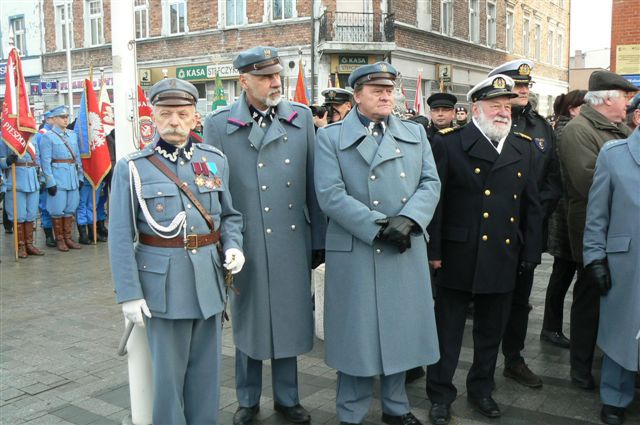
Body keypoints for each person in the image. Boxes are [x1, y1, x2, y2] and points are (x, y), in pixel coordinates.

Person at [109, 78, 244, 424]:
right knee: (167, 382)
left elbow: (229, 215)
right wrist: (128, 294)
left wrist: (233, 245)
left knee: (206, 377)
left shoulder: (213, 160)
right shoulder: (134, 167)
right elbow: (121, 236)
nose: (174, 121)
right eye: (166, 113)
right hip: (163, 288)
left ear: (195, 117)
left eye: (183, 114)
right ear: (152, 116)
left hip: (209, 284)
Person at [204, 46, 325, 425]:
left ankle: (288, 398)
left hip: (291, 240)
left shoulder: (301, 118)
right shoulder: (218, 124)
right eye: (265, 77)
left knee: (289, 318)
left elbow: (314, 186)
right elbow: (213, 191)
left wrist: (318, 242)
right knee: (248, 319)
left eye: (277, 76)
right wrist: (221, 242)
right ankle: (247, 399)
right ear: (244, 80)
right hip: (246, 240)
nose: (275, 83)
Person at [315, 61, 440, 425]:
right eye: (376, 90)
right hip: (359, 246)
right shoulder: (331, 137)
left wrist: (410, 219)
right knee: (356, 336)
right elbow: (330, 194)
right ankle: (350, 413)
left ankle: (396, 408)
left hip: (404, 245)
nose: (386, 95)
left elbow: (430, 183)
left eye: (389, 89)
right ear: (357, 96)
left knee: (400, 331)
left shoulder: (415, 134)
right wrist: (379, 226)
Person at [426, 74, 542, 424]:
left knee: (491, 330)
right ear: (475, 109)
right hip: (458, 252)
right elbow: (436, 201)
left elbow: (531, 207)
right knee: (447, 330)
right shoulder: (449, 143)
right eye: (495, 105)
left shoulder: (522, 147)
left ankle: (481, 390)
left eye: (507, 106)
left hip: (502, 254)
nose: (503, 112)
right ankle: (440, 393)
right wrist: (434, 250)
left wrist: (531, 252)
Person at [557, 70, 637, 390]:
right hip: (591, 228)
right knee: (590, 296)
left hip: (621, 227)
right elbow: (587, 182)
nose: (628, 106)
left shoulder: (615, 128)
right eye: (624, 98)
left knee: (619, 297)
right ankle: (580, 365)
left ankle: (617, 358)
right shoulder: (578, 130)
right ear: (607, 99)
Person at [487, 59, 562, 388]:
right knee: (490, 301)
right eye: (517, 85)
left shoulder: (542, 126)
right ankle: (484, 367)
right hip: (492, 230)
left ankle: (513, 359)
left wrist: (535, 213)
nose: (523, 91)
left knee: (520, 300)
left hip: (528, 233)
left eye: (526, 86)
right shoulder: (488, 122)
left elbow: (553, 178)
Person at [583, 102, 640, 425]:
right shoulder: (614, 154)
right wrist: (595, 258)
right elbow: (597, 214)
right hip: (626, 262)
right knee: (622, 329)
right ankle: (614, 397)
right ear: (637, 116)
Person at [541, 89, 587, 349]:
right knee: (562, 273)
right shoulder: (567, 132)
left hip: (566, 213)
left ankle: (552, 327)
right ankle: (551, 328)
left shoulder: (568, 129)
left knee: (564, 272)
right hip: (565, 215)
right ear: (573, 109)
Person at [39, 105, 83, 252]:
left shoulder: (72, 135)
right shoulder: (48, 137)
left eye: (66, 117)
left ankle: (68, 238)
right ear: (55, 119)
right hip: (58, 178)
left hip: (72, 178)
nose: (65, 120)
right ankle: (60, 239)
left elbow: (77, 159)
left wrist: (80, 177)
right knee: (57, 210)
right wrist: (50, 181)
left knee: (70, 209)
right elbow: (45, 162)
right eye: (62, 117)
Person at [0, 134, 45, 258]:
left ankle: (29, 244)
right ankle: (21, 246)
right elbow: (1, 161)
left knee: (31, 214)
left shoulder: (33, 137)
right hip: (16, 180)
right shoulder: (6, 136)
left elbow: (38, 160)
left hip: (33, 180)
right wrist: (7, 161)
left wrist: (42, 179)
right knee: (19, 216)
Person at [35, 115, 56, 247]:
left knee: (59, 207)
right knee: (45, 206)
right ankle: (49, 236)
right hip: (46, 175)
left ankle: (60, 235)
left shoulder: (60, 134)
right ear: (47, 120)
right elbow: (39, 158)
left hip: (58, 175)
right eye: (54, 118)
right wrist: (43, 178)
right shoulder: (41, 135)